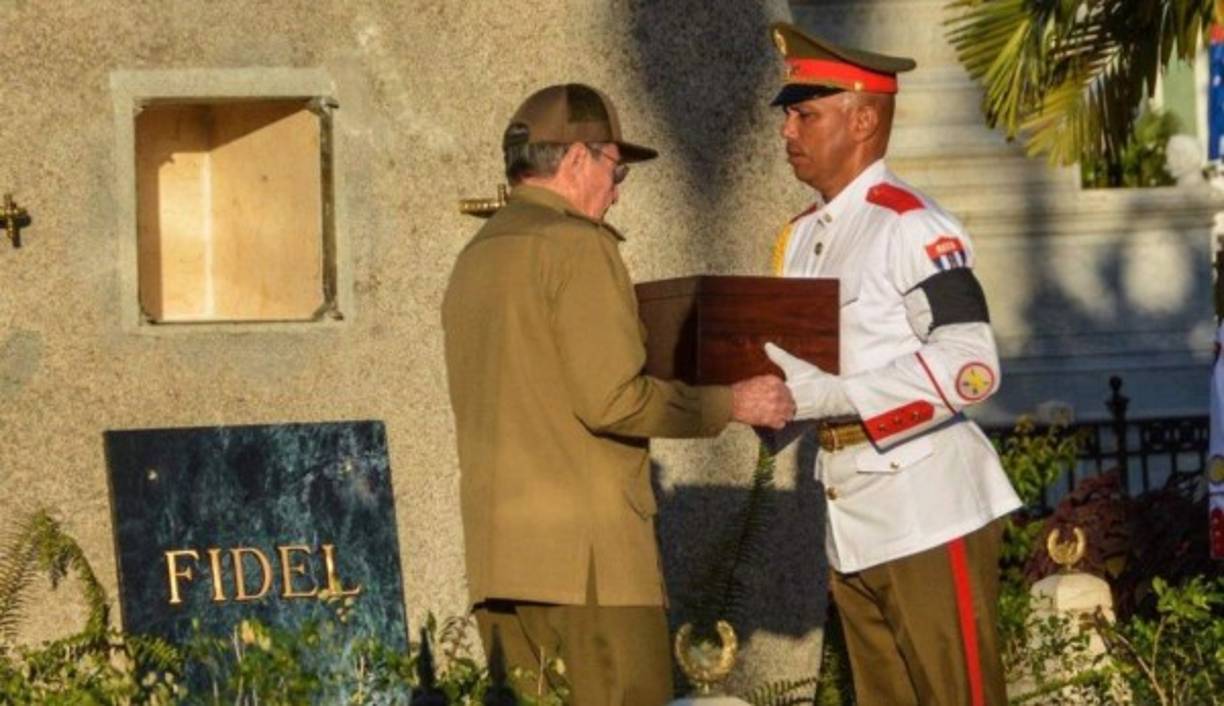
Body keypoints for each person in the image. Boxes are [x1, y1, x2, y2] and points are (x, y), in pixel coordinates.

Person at [442, 83, 795, 706]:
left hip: (502, 563)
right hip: (590, 568)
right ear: (578, 159)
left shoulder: (478, 256)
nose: (618, 185)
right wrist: (731, 403)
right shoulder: (579, 246)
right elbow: (613, 400)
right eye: (616, 166)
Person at [761, 23, 1023, 706]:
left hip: (928, 507)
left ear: (864, 118)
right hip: (852, 515)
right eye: (788, 114)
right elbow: (801, 373)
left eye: (804, 113)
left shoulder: (912, 224)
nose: (788, 131)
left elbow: (972, 368)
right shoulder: (799, 237)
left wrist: (821, 398)